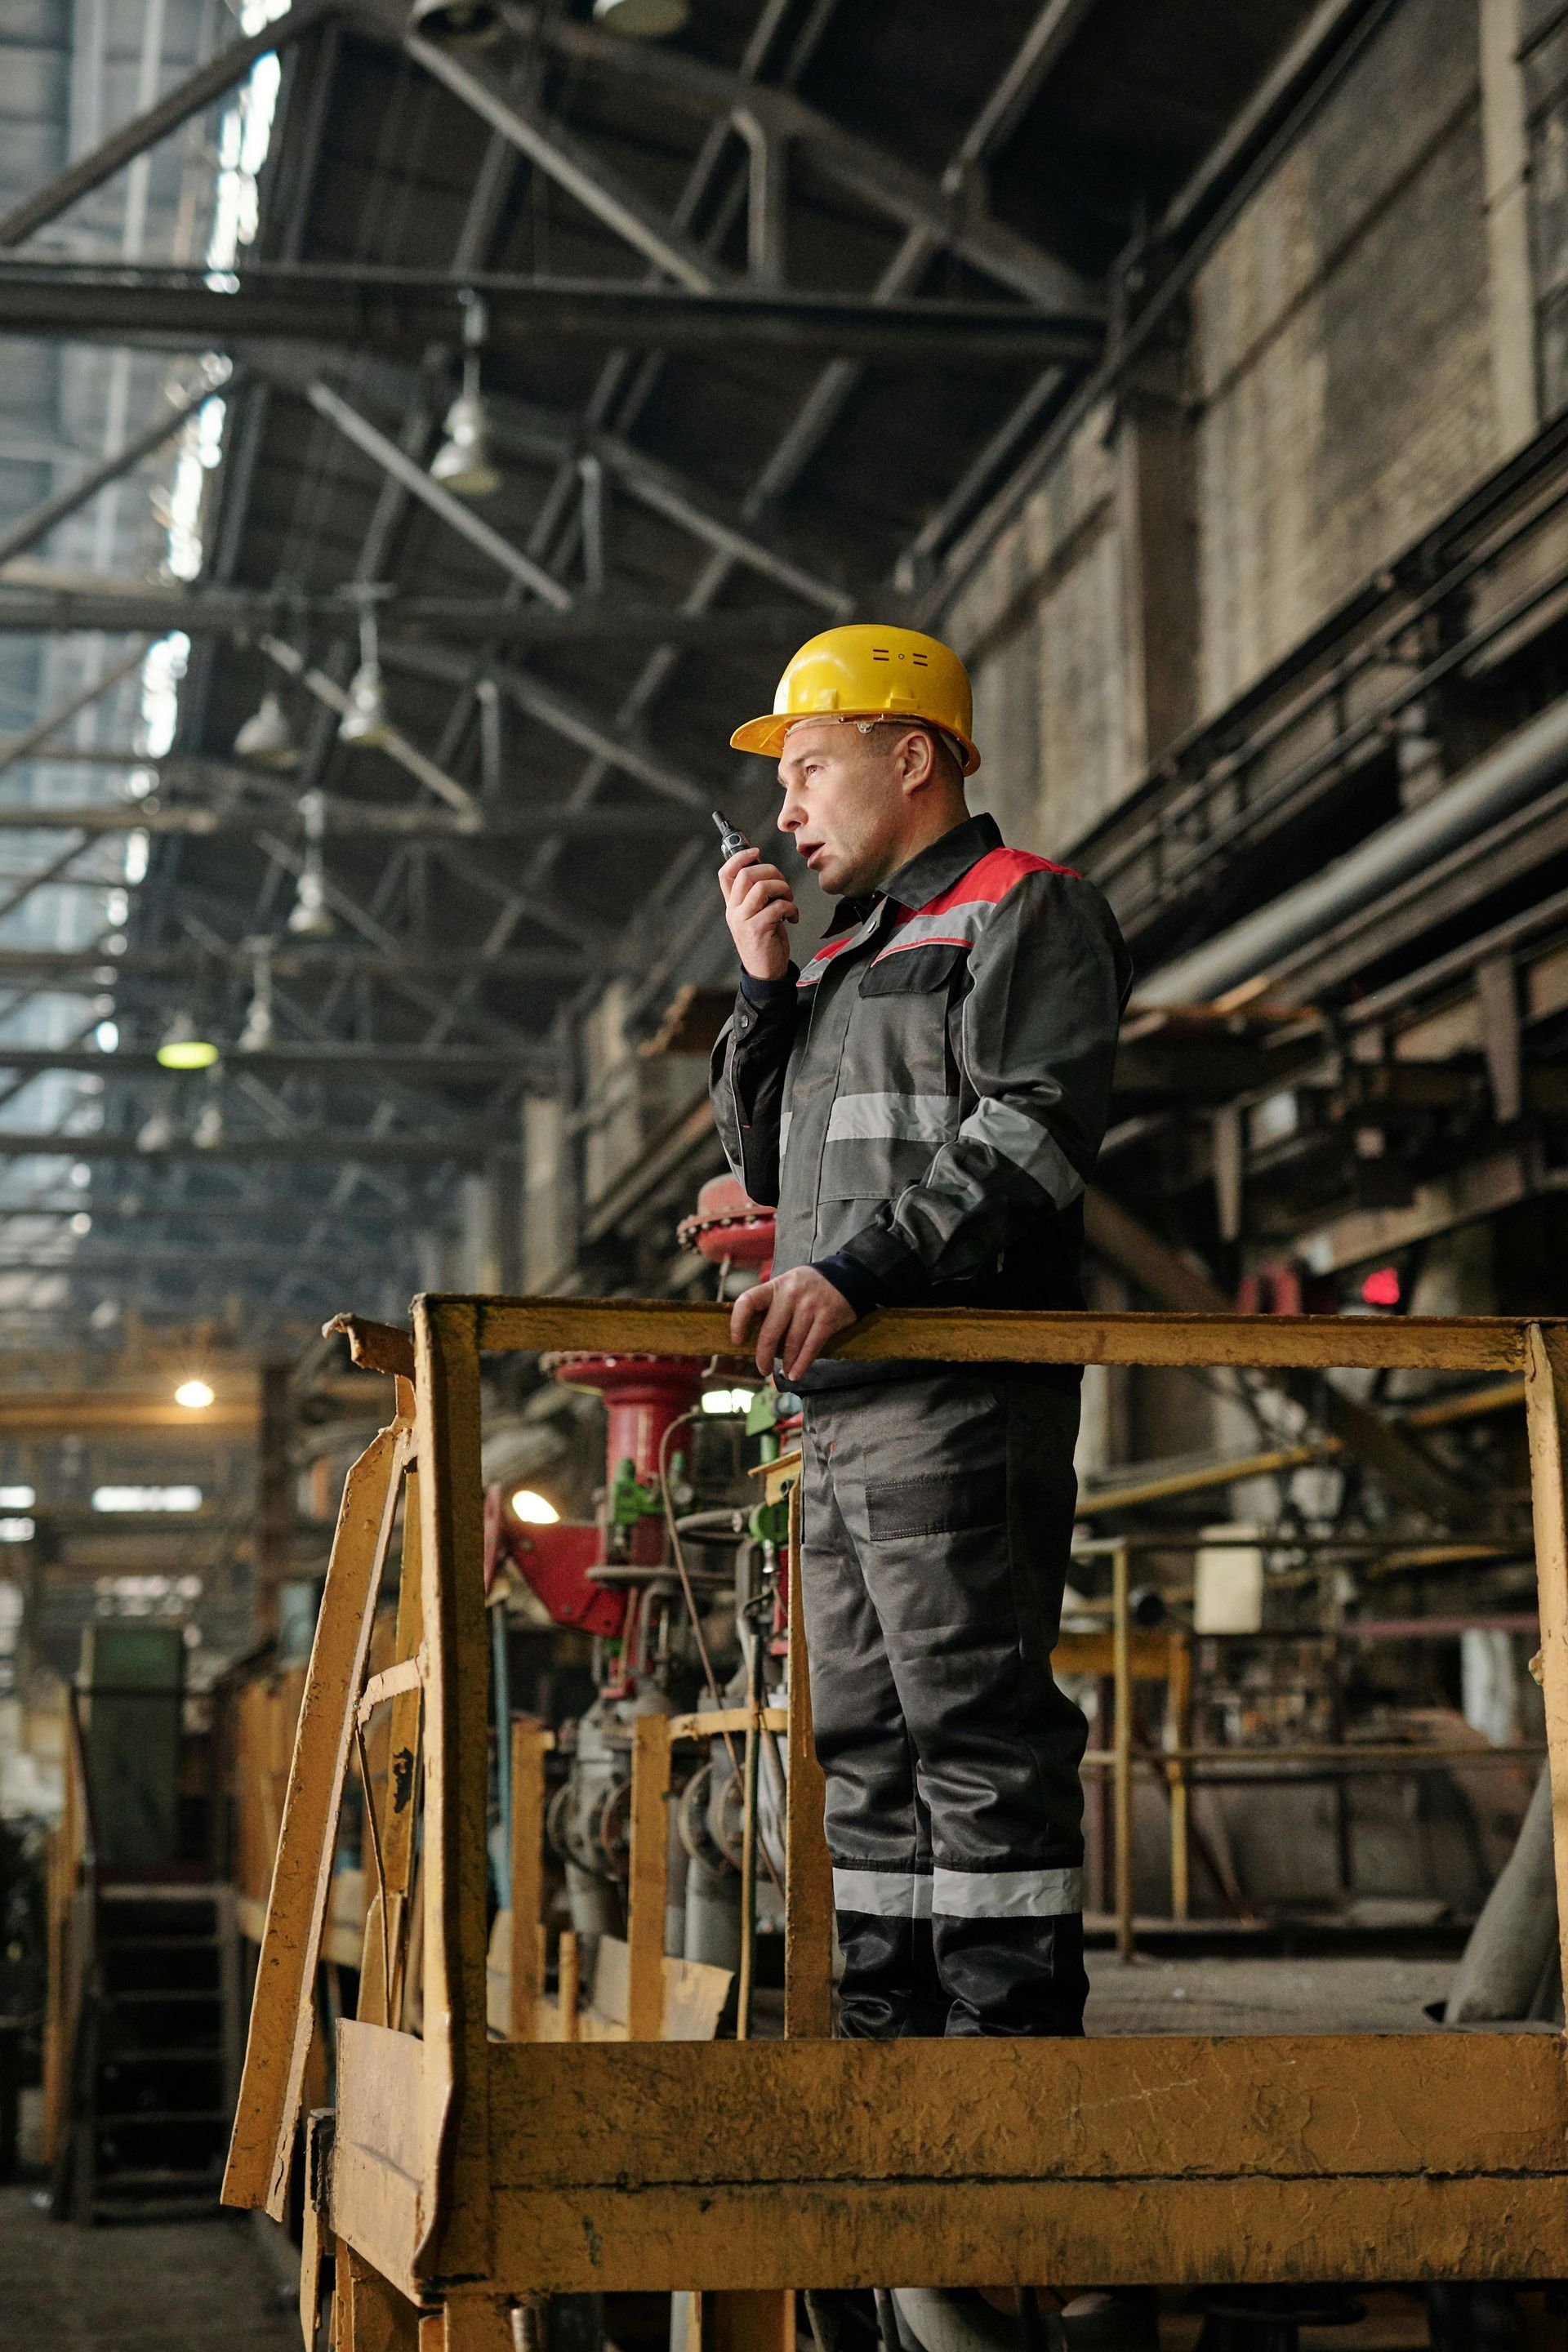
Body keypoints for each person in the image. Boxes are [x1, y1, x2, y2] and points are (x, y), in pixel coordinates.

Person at [711, 622, 1132, 2042]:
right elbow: (767, 1172)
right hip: (841, 1409)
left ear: (912, 758)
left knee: (972, 1726)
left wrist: (860, 1271)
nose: (786, 808)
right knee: (864, 1745)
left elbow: (1033, 1132)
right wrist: (764, 985)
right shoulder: (846, 958)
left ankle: (1006, 2069)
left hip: (960, 1395)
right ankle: (891, 2058)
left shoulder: (1025, 909)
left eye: (808, 768)